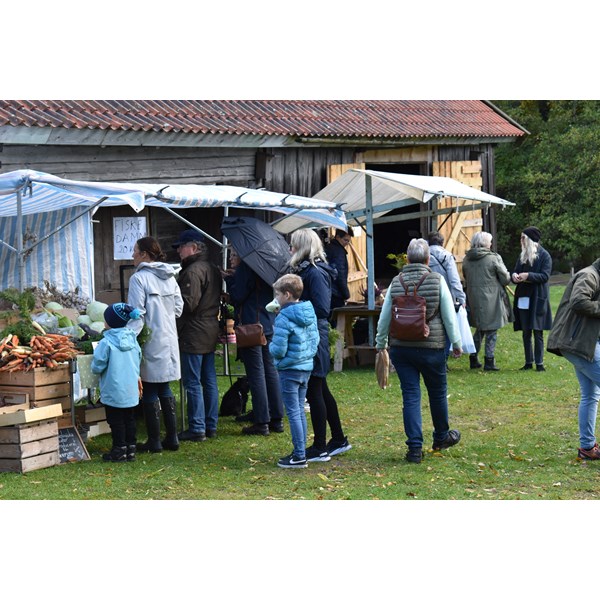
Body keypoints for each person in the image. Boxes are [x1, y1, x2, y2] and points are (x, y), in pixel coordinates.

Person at [375, 238, 462, 464]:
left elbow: (385, 316)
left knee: (411, 396)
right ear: (428, 259)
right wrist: (457, 343)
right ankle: (441, 437)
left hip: (401, 348)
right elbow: (449, 316)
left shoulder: (396, 281)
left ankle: (414, 448)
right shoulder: (436, 279)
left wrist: (380, 342)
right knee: (437, 393)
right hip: (432, 347)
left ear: (407, 257)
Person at [290, 228, 351, 461]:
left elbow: (322, 309)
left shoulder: (314, 273)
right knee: (321, 388)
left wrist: (294, 309)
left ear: (303, 247)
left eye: (293, 245)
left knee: (314, 389)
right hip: (312, 333)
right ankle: (337, 438)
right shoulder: (307, 271)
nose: (290, 249)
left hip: (314, 334)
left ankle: (319, 447)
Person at [127, 236, 183, 453]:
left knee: (150, 385)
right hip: (168, 336)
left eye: (135, 250)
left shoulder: (139, 278)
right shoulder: (169, 276)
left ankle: (154, 441)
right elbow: (178, 308)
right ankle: (172, 437)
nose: (132, 255)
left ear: (144, 254)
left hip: (150, 337)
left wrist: (129, 337)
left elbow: (136, 313)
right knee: (164, 386)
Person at [222, 247, 285, 435]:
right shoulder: (267, 266)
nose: (231, 258)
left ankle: (261, 421)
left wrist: (229, 279)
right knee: (270, 371)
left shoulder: (246, 269)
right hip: (268, 322)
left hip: (252, 325)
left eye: (234, 255)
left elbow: (238, 296)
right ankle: (276, 418)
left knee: (256, 373)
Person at [547, 258, 600, 460]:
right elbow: (579, 302)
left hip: (582, 343)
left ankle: (587, 447)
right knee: (590, 395)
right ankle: (587, 446)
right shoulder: (589, 275)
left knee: (590, 394)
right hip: (577, 343)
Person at [173, 229, 222, 441]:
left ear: (193, 247)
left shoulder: (193, 271)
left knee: (193, 381)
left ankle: (197, 427)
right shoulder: (211, 267)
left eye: (181, 247)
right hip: (210, 327)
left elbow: (188, 304)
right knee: (209, 379)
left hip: (194, 330)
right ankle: (210, 425)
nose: (178, 251)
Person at [269, 274, 319, 468]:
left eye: (278, 294)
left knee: (294, 412)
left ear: (287, 295)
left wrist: (271, 348)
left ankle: (299, 455)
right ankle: (301, 452)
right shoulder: (309, 311)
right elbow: (315, 340)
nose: (276, 298)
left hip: (289, 370)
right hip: (305, 367)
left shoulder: (283, 317)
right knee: (298, 410)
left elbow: (279, 348)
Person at [91, 303, 143, 462]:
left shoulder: (106, 342)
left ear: (109, 322)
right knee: (129, 419)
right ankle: (131, 448)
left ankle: (119, 449)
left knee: (116, 421)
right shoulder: (133, 339)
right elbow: (139, 358)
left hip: (113, 389)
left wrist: (94, 368)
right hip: (130, 388)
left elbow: (98, 364)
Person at [462, 231, 512, 371]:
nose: (491, 243)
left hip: (473, 297)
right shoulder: (493, 258)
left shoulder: (467, 259)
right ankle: (489, 361)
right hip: (491, 298)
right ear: (485, 243)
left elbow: (466, 276)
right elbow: (505, 278)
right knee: (491, 329)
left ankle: (473, 356)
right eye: (489, 241)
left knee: (480, 329)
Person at [511, 226, 553, 371]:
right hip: (523, 296)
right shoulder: (522, 255)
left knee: (537, 330)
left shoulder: (545, 255)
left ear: (530, 240)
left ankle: (539, 363)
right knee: (526, 331)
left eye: (523, 238)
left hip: (537, 297)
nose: (521, 240)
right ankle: (528, 362)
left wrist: (528, 276)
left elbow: (545, 276)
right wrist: (514, 276)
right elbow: (516, 270)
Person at [427, 231, 467, 364]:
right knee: (447, 326)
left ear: (428, 242)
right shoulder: (447, 256)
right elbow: (454, 280)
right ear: (442, 243)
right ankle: (442, 360)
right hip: (445, 296)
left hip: (426, 295)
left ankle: (429, 357)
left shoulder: (423, 255)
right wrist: (461, 298)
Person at [325, 228, 353, 322]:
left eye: (349, 241)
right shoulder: (338, 252)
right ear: (337, 237)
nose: (347, 243)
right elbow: (340, 274)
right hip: (335, 293)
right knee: (336, 321)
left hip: (329, 290)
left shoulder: (330, 247)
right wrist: (346, 294)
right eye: (345, 240)